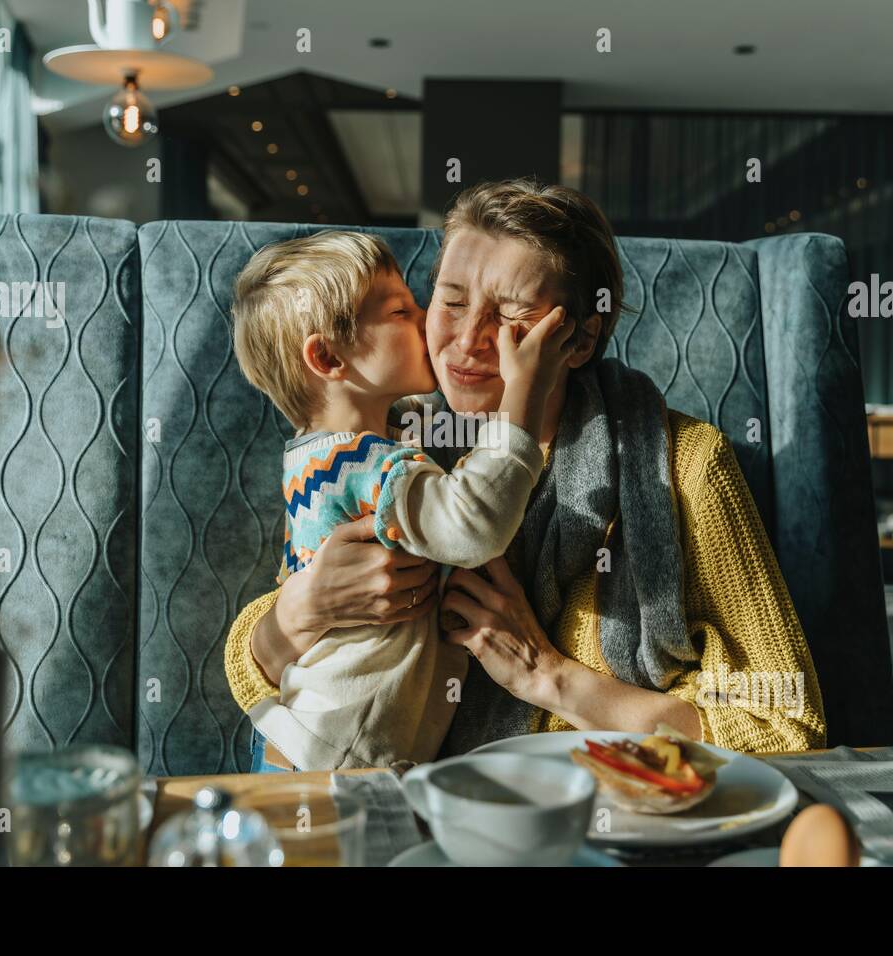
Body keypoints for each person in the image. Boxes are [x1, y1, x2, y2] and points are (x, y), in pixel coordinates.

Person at [226, 179, 827, 764]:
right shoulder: (391, 438)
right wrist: (304, 609)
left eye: (512, 315)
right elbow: (258, 671)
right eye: (452, 301)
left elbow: (787, 728)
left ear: (580, 338)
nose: (467, 340)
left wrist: (548, 676)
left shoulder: (688, 464)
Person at [228, 230, 576, 771]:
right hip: (337, 759)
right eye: (399, 312)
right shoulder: (368, 464)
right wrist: (520, 403)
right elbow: (471, 524)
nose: (429, 324)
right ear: (325, 356)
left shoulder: (317, 456)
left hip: (309, 742)